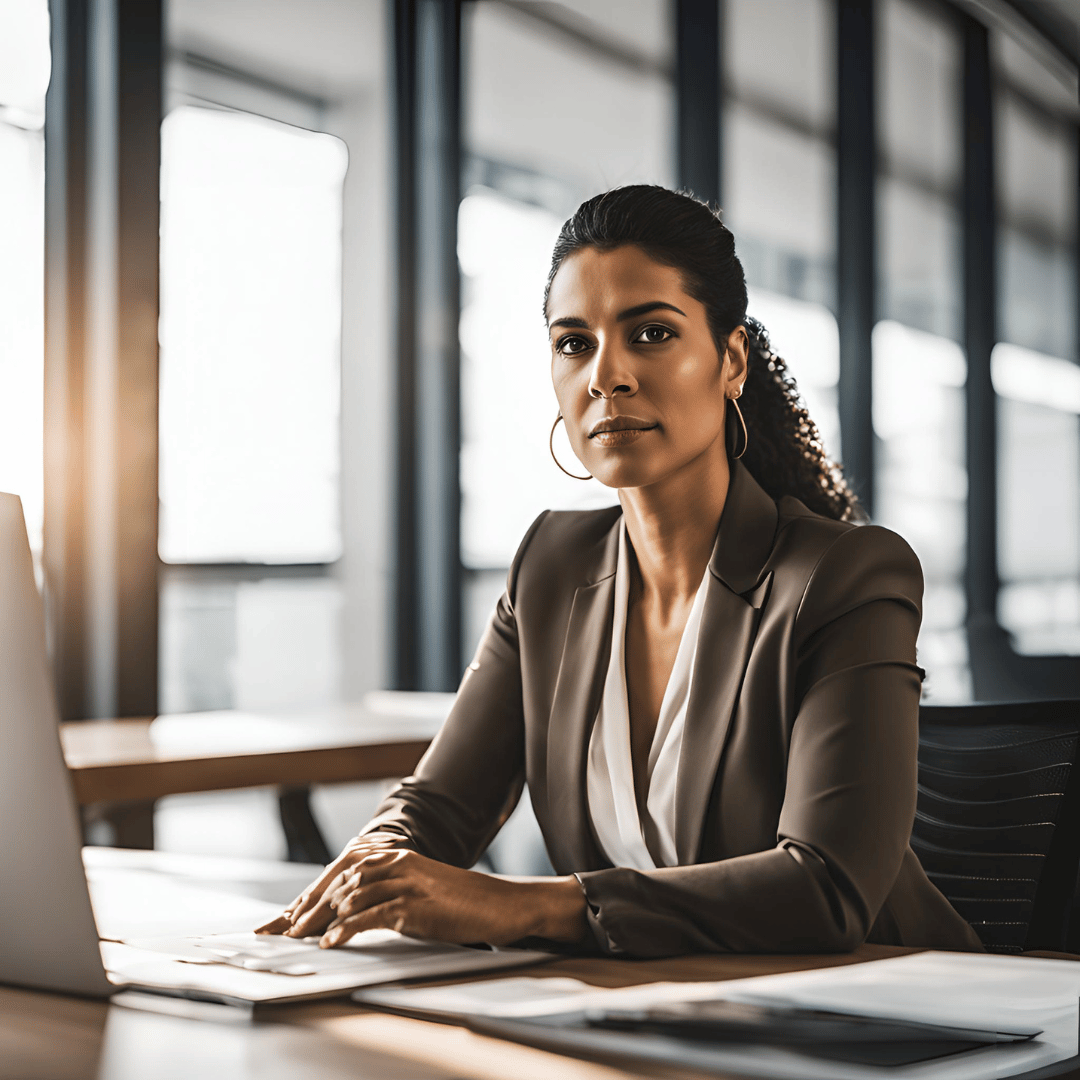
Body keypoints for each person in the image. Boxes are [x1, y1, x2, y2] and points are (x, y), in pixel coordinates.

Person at [257, 185, 982, 956]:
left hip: (891, 1028)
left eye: (652, 333)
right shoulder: (550, 568)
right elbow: (439, 807)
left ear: (731, 361)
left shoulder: (843, 575)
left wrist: (528, 908)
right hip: (656, 1019)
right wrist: (368, 874)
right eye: (575, 343)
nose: (609, 375)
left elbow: (827, 889)